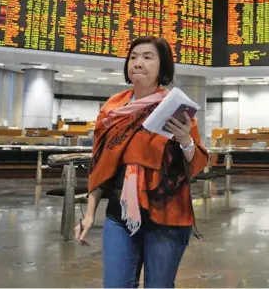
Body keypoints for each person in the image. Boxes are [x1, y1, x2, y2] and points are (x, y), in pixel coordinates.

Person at [74, 35, 209, 288]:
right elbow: (100, 164)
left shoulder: (174, 106)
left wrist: (184, 139)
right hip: (120, 213)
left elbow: (198, 163)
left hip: (167, 216)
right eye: (133, 57)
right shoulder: (113, 109)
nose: (138, 63)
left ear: (162, 66)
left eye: (148, 57)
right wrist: (89, 214)